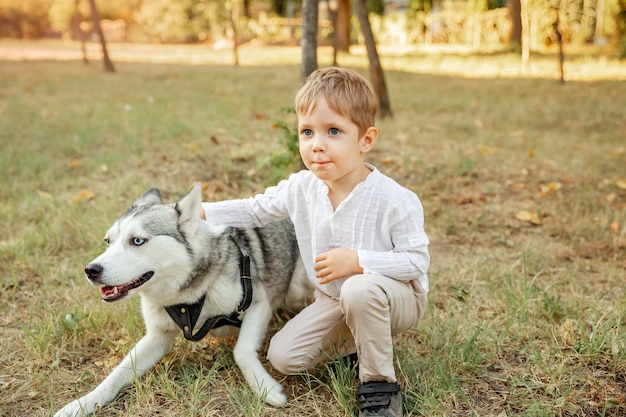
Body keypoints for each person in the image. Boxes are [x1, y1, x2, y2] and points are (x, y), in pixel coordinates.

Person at [201, 67, 429, 417]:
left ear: (365, 140)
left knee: (359, 290)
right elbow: (255, 209)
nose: (317, 144)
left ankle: (380, 385)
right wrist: (199, 212)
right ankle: (360, 341)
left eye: (333, 131)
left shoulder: (394, 199)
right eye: (307, 132)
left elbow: (416, 262)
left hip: (396, 299)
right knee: (283, 356)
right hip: (335, 299)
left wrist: (359, 261)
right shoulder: (302, 188)